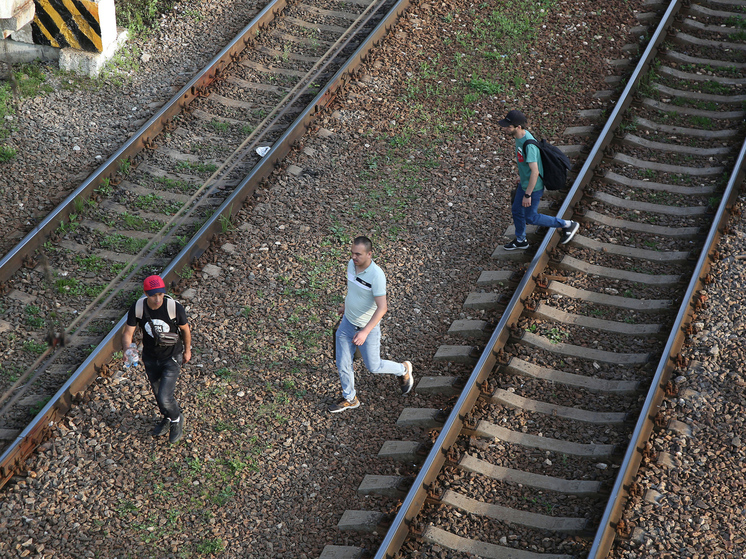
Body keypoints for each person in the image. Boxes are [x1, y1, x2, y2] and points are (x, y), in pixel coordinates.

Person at [329, 236, 413, 413]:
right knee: (343, 364)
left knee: (374, 366)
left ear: (369, 254)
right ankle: (350, 398)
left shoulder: (376, 276)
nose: (353, 257)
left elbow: (382, 308)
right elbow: (353, 289)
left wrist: (365, 332)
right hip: (347, 323)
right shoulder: (351, 265)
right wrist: (347, 305)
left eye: (358, 254)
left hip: (367, 327)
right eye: (352, 253)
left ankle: (403, 369)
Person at [122, 275, 192, 443]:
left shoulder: (174, 307)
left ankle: (176, 419)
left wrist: (187, 350)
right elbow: (127, 333)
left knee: (165, 397)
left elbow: (185, 331)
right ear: (146, 294)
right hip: (151, 357)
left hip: (172, 357)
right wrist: (128, 349)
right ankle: (167, 417)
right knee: (157, 394)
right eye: (153, 295)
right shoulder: (138, 307)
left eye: (161, 294)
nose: (158, 298)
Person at [498, 110, 579, 250]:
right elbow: (526, 165)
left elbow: (535, 172)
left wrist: (528, 194)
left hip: (533, 188)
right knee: (517, 210)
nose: (505, 128)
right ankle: (521, 240)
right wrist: (521, 176)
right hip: (525, 183)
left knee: (531, 217)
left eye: (508, 126)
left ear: (518, 127)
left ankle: (567, 224)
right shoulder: (519, 137)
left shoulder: (529, 145)